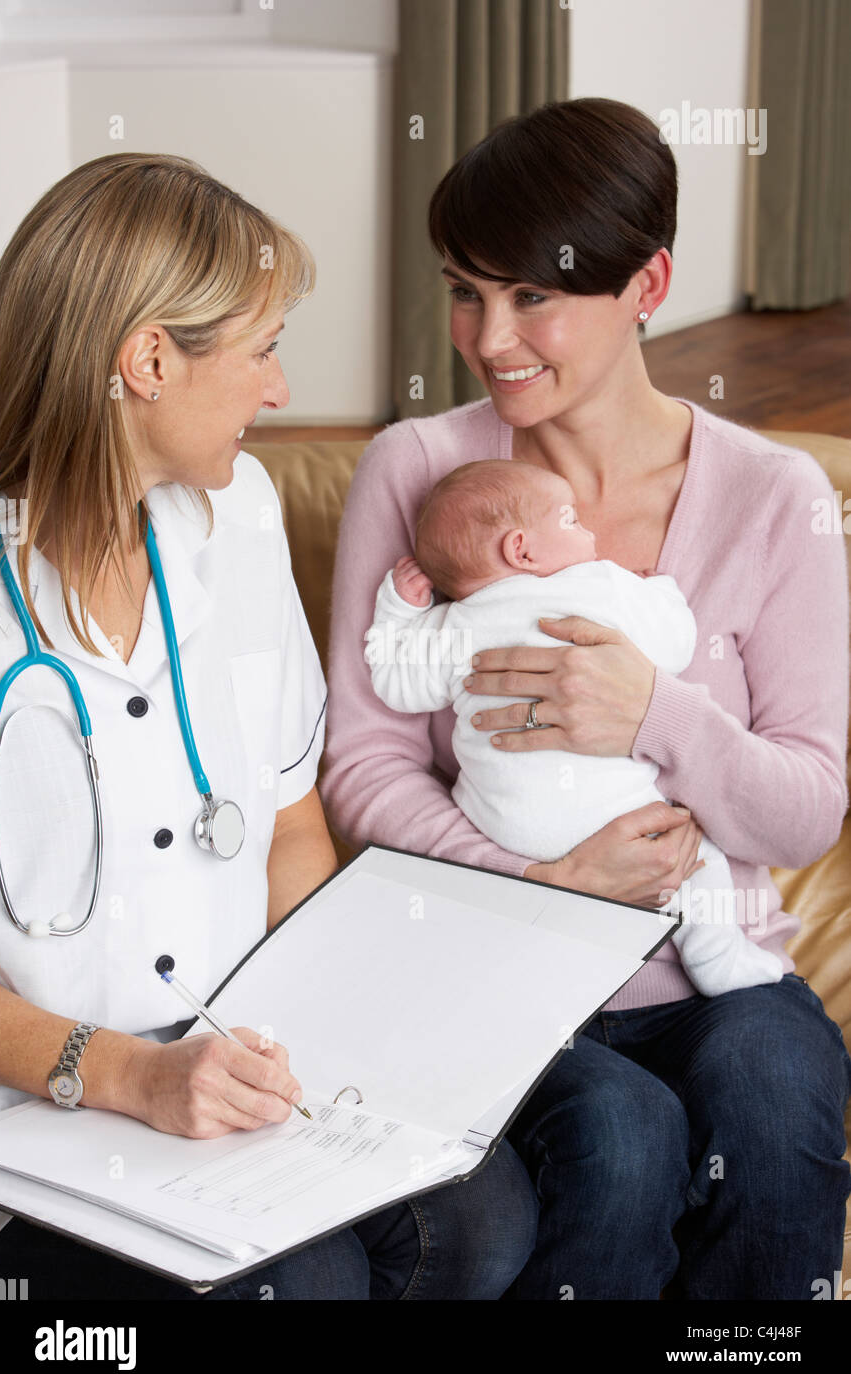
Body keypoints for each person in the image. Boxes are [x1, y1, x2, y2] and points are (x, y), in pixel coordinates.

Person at [321, 98, 851, 1298]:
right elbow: (364, 766)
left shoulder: (774, 498)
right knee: (614, 1144)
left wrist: (650, 713)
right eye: (465, 290)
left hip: (714, 976)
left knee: (770, 1104)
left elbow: (803, 811)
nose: (487, 335)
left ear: (646, 281)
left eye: (530, 297)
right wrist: (540, 886)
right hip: (492, 970)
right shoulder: (414, 473)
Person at [0, 152, 538, 1300]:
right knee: (310, 1283)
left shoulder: (231, 516)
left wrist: (322, 1046)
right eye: (261, 348)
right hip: (31, 1114)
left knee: (481, 1219)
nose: (280, 389)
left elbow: (290, 829)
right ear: (146, 361)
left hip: (226, 1061)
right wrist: (131, 1076)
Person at [364, 455, 783, 997]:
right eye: (569, 521)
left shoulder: (453, 626)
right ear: (522, 548)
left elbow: (397, 685)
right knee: (698, 861)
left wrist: (397, 609)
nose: (588, 532)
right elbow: (675, 645)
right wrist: (662, 591)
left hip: (502, 829)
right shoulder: (599, 586)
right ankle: (718, 961)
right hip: (617, 817)